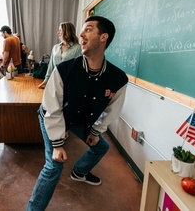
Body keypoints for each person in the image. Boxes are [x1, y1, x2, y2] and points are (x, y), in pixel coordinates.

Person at [27, 16, 129, 210]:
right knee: (53, 165)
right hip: (52, 116)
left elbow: (112, 110)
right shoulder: (65, 69)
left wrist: (95, 131)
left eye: (88, 29)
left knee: (101, 146)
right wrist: (57, 143)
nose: (81, 34)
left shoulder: (118, 79)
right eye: (82, 30)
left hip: (79, 118)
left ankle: (79, 171)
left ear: (103, 37)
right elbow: (51, 108)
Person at [38, 22, 82, 89]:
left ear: (67, 32)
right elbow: (51, 65)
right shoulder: (55, 47)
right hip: (55, 81)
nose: (58, 32)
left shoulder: (77, 48)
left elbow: (79, 68)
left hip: (70, 82)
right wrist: (46, 80)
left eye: (60, 30)